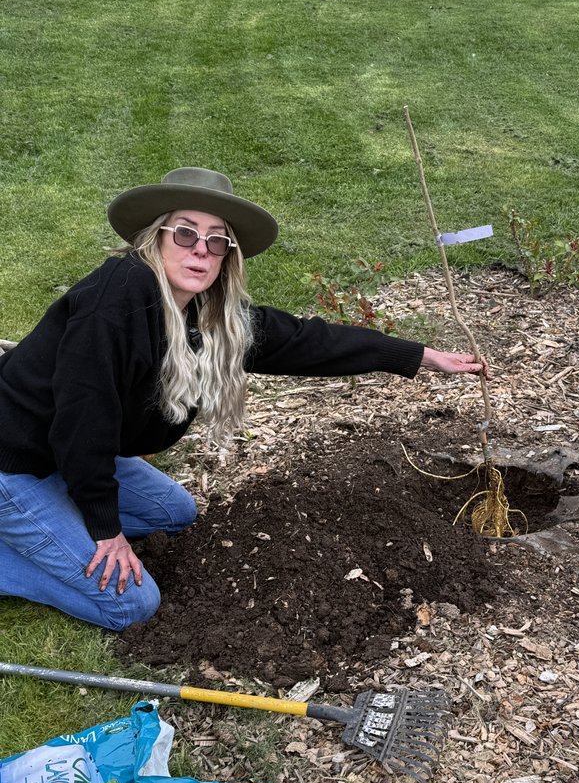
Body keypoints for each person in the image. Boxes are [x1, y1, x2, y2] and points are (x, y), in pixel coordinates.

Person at [0, 167, 488, 632]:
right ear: (155, 238)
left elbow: (303, 341)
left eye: (217, 240)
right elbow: (84, 417)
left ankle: (51, 519)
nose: (201, 249)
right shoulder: (119, 295)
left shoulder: (207, 313)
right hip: (12, 462)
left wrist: (420, 356)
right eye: (185, 233)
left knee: (172, 513)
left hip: (61, 456)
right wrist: (104, 528)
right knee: (132, 603)